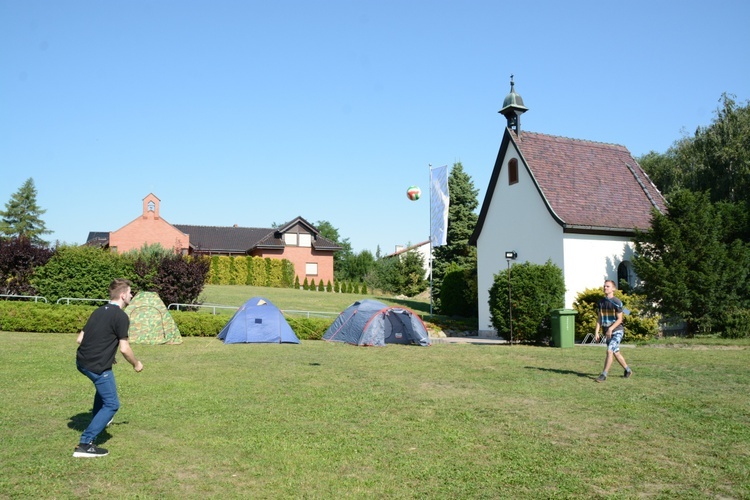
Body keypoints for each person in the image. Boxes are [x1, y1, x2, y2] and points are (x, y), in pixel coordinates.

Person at [73, 278, 143, 457]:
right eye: (130, 293)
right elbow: (125, 349)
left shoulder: (98, 311)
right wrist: (136, 364)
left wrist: (105, 354)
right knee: (112, 404)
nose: (131, 295)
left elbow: (80, 339)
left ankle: (99, 421)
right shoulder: (120, 316)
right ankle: (85, 444)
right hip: (97, 366)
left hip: (82, 362)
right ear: (122, 295)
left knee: (102, 392)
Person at [594, 280, 632, 383]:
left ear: (613, 289)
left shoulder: (617, 302)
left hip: (617, 330)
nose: (605, 288)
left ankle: (603, 375)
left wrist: (611, 328)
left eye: (608, 286)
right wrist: (596, 332)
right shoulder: (601, 302)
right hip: (607, 332)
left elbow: (620, 319)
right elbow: (599, 319)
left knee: (609, 351)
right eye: (604, 286)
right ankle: (628, 370)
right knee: (616, 352)